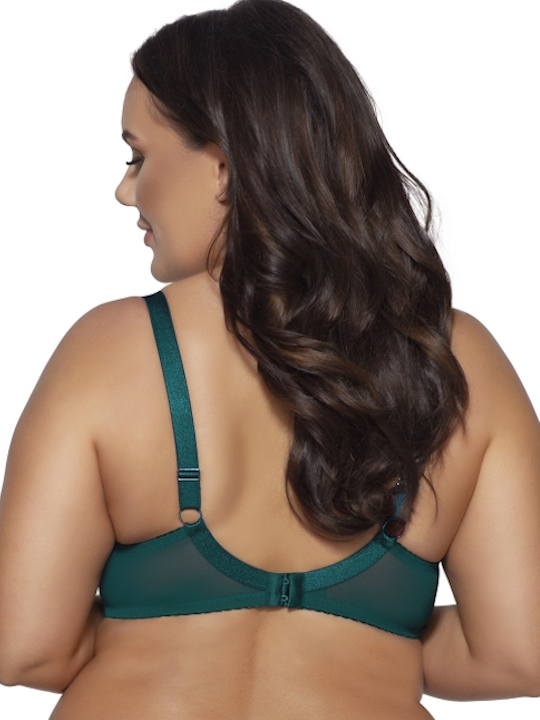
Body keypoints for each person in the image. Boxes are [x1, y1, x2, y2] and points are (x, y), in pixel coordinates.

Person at [0, 0, 539, 718]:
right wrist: (364, 647)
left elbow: (29, 646)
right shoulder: (457, 361)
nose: (126, 191)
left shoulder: (108, 350)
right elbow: (515, 654)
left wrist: (160, 632)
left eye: (138, 157)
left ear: (224, 168)